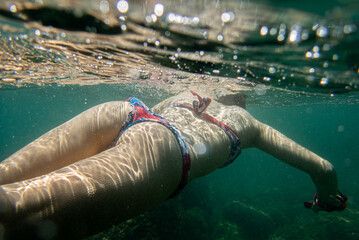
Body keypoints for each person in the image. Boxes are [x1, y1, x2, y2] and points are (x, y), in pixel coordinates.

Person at [0, 90, 347, 239]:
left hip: (122, 111)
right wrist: (328, 200)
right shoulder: (252, 124)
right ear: (244, 98)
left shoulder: (191, 92)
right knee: (14, 214)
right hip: (165, 154)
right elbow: (325, 169)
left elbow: (153, 118)